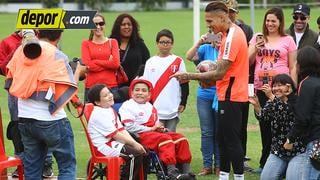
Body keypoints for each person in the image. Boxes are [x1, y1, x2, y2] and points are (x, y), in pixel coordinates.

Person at [172, 2, 249, 179]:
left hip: (232, 95)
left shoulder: (232, 37)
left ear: (223, 18)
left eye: (209, 20)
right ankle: (223, 176)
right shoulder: (226, 34)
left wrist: (189, 76)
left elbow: (220, 73)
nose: (208, 25)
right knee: (222, 139)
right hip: (226, 94)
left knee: (231, 141)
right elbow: (222, 67)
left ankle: (238, 176)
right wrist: (207, 66)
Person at [5, 29, 86, 179]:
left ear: (38, 32)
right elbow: (69, 88)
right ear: (60, 35)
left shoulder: (20, 51)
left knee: (32, 169)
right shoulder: (57, 54)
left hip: (25, 119)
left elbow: (9, 82)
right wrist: (79, 71)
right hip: (52, 121)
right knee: (67, 166)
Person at [248, 7, 297, 173]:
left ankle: (284, 161)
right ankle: (265, 162)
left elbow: (293, 66)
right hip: (261, 88)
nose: (270, 24)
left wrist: (293, 89)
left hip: (281, 90)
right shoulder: (257, 37)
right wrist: (256, 47)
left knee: (282, 124)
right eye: (267, 20)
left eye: (273, 21)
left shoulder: (288, 40)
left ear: (280, 22)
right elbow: (246, 61)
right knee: (265, 124)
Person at [0, 30, 54, 178]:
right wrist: (22, 45)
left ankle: (46, 164)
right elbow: (3, 68)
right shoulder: (8, 42)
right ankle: (21, 164)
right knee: (18, 131)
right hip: (16, 95)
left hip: (39, 92)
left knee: (44, 127)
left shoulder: (45, 41)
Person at [119, 78, 195, 180]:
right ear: (131, 92)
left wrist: (160, 129)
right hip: (138, 135)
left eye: (143, 90)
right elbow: (129, 127)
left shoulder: (150, 106)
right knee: (165, 140)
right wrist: (151, 129)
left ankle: (186, 172)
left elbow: (156, 124)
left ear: (149, 94)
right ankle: (172, 171)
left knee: (180, 138)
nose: (140, 93)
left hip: (153, 133)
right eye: (137, 90)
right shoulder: (128, 106)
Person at [249, 74, 305, 180]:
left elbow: (287, 112)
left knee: (293, 177)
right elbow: (263, 117)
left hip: (297, 151)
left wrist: (271, 97)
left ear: (289, 87)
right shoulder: (272, 102)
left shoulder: (297, 101)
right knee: (266, 178)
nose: (275, 88)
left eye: (280, 85)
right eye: (274, 86)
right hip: (278, 151)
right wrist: (257, 106)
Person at [87, 84, 147, 180]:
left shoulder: (109, 109)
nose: (110, 95)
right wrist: (135, 145)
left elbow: (122, 130)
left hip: (114, 142)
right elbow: (116, 135)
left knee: (144, 151)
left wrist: (135, 144)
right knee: (134, 155)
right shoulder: (98, 114)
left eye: (109, 93)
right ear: (98, 102)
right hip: (103, 146)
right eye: (105, 95)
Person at [185, 32, 220, 176]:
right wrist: (199, 42)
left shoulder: (226, 50)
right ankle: (207, 165)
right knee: (206, 132)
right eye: (214, 36)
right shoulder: (205, 48)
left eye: (219, 36)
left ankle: (219, 165)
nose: (216, 39)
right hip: (204, 95)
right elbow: (189, 56)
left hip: (220, 94)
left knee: (219, 131)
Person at [225, 0, 254, 170]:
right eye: (227, 11)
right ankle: (223, 159)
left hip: (242, 82)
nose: (230, 14)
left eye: (233, 11)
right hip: (222, 83)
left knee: (241, 123)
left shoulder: (246, 29)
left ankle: (240, 158)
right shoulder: (217, 28)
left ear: (237, 12)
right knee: (223, 125)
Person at [284, 46, 320, 179]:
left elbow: (302, 117)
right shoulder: (315, 82)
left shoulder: (306, 83)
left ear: (300, 64)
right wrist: (292, 97)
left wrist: (291, 138)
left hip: (315, 141)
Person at [143, 29, 189, 133]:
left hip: (172, 106)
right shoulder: (150, 62)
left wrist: (183, 102)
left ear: (172, 44)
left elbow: (184, 83)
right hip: (155, 107)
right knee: (156, 137)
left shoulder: (178, 61)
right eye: (162, 42)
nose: (165, 45)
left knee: (171, 136)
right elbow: (146, 84)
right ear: (157, 43)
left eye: (167, 42)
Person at [81, 13, 120, 102]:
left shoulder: (113, 42)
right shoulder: (86, 44)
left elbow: (116, 64)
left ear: (105, 25)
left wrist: (95, 61)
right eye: (95, 24)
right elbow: (88, 65)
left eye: (101, 24)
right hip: (91, 88)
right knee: (91, 115)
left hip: (110, 87)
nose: (98, 27)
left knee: (111, 115)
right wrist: (108, 63)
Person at [110, 13, 150, 84]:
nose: (126, 27)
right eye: (123, 24)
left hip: (134, 88)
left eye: (129, 24)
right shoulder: (110, 43)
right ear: (117, 27)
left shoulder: (140, 45)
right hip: (113, 87)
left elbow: (147, 65)